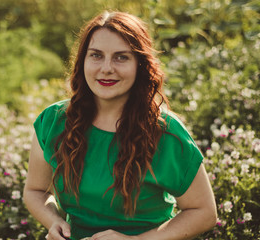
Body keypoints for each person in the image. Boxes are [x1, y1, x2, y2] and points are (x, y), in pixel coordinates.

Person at [23, 11, 217, 240]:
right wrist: (54, 221)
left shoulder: (166, 133)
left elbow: (204, 212)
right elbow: (35, 191)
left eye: (121, 57)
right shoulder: (53, 121)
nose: (106, 68)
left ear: (140, 65)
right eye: (96, 55)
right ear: (82, 60)